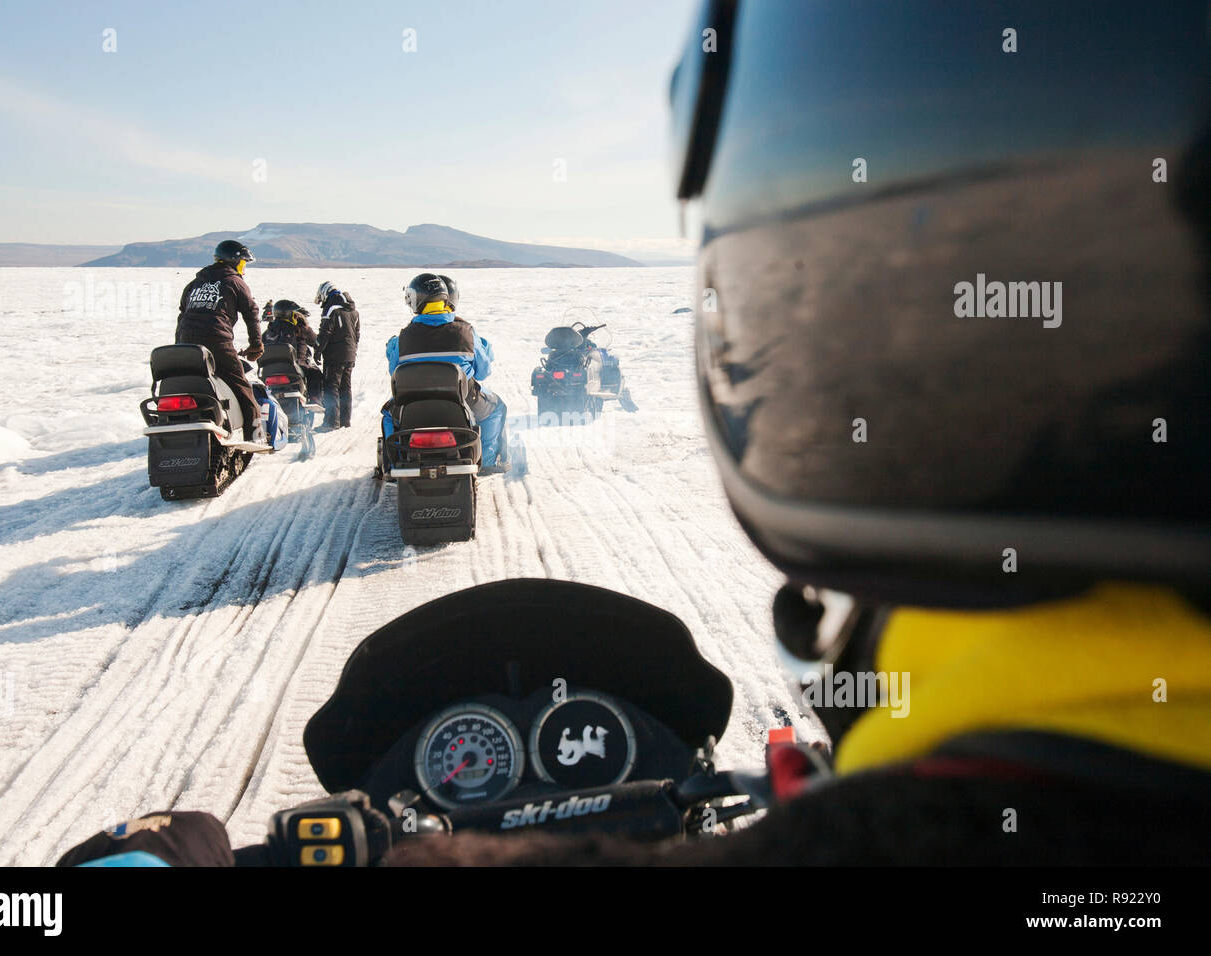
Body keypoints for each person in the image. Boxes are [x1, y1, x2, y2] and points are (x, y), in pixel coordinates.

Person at [63, 0, 1211, 867]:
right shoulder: (448, 327)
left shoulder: (391, 322)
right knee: (491, 417)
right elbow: (473, 375)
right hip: (401, 414)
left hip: (339, 410)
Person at [383, 273, 509, 472]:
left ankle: (393, 464)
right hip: (462, 403)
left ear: (416, 300)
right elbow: (483, 371)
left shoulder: (403, 337)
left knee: (388, 415)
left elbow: (394, 372)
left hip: (413, 406)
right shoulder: (466, 332)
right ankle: (488, 462)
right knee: (497, 408)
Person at [175, 240, 265, 442]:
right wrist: (256, 344)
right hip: (217, 341)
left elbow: (182, 315)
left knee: (188, 382)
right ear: (234, 262)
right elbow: (252, 313)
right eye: (243, 263)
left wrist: (179, 348)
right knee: (241, 386)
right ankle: (256, 436)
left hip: (187, 343)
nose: (243, 268)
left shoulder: (195, 283)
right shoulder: (235, 282)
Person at [314, 281, 360, 430]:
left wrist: (318, 350)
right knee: (346, 387)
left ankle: (331, 422)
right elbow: (357, 334)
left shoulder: (331, 308)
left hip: (334, 355)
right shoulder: (353, 310)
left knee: (331, 386)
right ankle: (345, 420)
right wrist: (353, 350)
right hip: (350, 353)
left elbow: (325, 332)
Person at [262, 299, 322, 401]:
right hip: (293, 367)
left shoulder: (267, 332)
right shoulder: (299, 328)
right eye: (295, 314)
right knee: (315, 373)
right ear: (289, 314)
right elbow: (315, 340)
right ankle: (314, 398)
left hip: (269, 370)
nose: (296, 316)